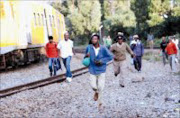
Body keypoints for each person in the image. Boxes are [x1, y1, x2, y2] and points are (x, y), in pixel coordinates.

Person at [84, 34, 113, 109]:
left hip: (101, 70)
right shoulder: (89, 47)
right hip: (92, 69)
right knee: (93, 86)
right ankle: (96, 92)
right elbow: (85, 57)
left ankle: (100, 103)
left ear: (98, 40)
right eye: (93, 39)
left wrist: (102, 61)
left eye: (95, 39)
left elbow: (110, 56)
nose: (94, 40)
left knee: (101, 87)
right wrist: (87, 56)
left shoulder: (103, 48)